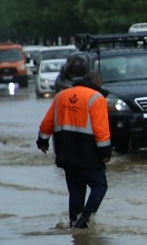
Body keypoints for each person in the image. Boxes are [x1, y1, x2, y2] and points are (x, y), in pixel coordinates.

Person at [36, 54, 112, 229]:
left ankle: (73, 222)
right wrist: (105, 153)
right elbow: (101, 129)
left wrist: (42, 141)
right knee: (100, 186)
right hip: (87, 152)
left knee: (76, 189)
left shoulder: (61, 95)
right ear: (98, 83)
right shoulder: (96, 98)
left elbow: (47, 122)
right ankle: (84, 221)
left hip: (65, 151)